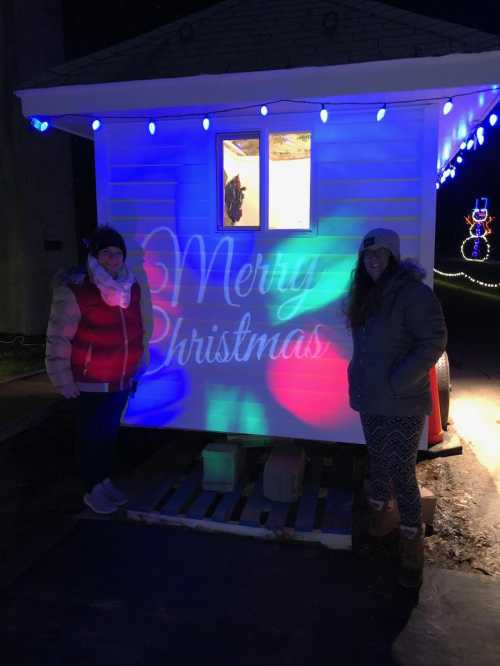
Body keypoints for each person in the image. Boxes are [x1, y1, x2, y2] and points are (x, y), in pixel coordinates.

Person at [345, 228, 447, 588]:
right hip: (371, 397)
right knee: (378, 459)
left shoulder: (413, 295)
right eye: (367, 255)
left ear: (393, 257)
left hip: (402, 401)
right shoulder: (366, 296)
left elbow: (434, 340)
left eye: (380, 254)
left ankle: (410, 538)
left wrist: (400, 380)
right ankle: (381, 521)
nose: (372, 260)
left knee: (401, 468)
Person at [45, 226, 147, 515]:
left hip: (120, 380)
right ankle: (91, 489)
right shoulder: (77, 290)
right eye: (106, 253)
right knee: (90, 438)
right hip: (88, 382)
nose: (112, 258)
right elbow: (58, 338)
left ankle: (103, 481)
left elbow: (137, 330)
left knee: (108, 437)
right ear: (95, 257)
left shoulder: (131, 287)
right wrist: (62, 379)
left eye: (117, 253)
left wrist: (136, 367)